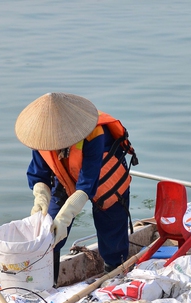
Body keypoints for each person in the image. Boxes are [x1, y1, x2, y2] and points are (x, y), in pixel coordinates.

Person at [15, 92, 137, 283]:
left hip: (104, 179)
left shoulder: (93, 132)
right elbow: (39, 174)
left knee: (111, 235)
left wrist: (64, 218)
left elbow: (88, 182)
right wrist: (40, 197)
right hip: (65, 179)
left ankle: (115, 275)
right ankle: (48, 283)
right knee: (47, 237)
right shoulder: (41, 136)